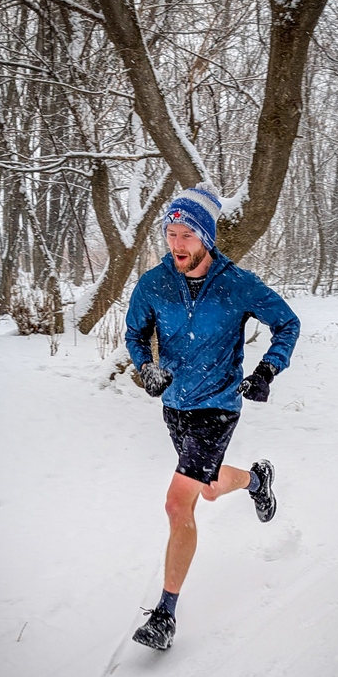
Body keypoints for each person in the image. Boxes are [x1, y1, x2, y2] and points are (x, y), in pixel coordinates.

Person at [125, 182, 300, 650]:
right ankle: (257, 480)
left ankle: (165, 615)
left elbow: (287, 323)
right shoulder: (154, 283)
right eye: (171, 234)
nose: (176, 244)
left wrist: (267, 369)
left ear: (205, 237)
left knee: (177, 502)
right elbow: (135, 335)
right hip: (175, 405)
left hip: (218, 406)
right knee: (208, 488)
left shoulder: (237, 284)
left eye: (186, 235)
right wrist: (146, 368)